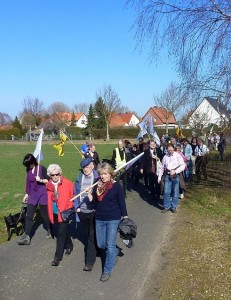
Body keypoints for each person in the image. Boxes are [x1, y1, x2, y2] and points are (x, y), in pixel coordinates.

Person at [91, 163, 128, 282]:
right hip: (100, 218)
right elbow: (94, 203)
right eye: (101, 174)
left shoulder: (116, 186)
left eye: (105, 174)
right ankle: (115, 251)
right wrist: (89, 194)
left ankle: (107, 270)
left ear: (110, 174)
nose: (102, 176)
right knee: (101, 244)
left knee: (110, 245)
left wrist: (125, 216)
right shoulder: (97, 185)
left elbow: (121, 202)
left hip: (113, 218)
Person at [17, 153, 50, 245]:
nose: (28, 167)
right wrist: (26, 194)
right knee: (29, 216)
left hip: (42, 193)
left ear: (33, 162)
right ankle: (27, 236)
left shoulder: (41, 168)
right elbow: (28, 182)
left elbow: (48, 180)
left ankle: (49, 229)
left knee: (44, 215)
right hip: (32, 194)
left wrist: (40, 180)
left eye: (29, 164)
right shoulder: (28, 169)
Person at [74, 157, 99, 272]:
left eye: (87, 167)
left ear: (92, 166)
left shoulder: (98, 178)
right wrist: (77, 208)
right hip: (82, 212)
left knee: (91, 237)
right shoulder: (79, 178)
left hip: (94, 212)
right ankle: (97, 249)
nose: (85, 169)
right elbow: (75, 194)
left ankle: (89, 262)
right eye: (84, 167)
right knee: (89, 234)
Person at [46, 164, 75, 266]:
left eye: (57, 174)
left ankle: (57, 257)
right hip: (53, 212)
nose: (55, 176)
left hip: (64, 213)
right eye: (52, 175)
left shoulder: (68, 183)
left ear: (60, 173)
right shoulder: (48, 185)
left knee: (60, 234)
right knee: (61, 231)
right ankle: (69, 245)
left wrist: (68, 206)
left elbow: (73, 197)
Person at [158, 144, 185, 213]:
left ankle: (174, 206)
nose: (170, 151)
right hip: (167, 175)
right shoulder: (165, 157)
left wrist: (175, 171)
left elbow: (183, 166)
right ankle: (166, 206)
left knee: (175, 192)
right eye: (169, 150)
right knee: (166, 192)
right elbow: (161, 167)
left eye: (171, 150)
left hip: (176, 175)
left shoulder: (178, 156)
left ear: (174, 149)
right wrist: (159, 177)